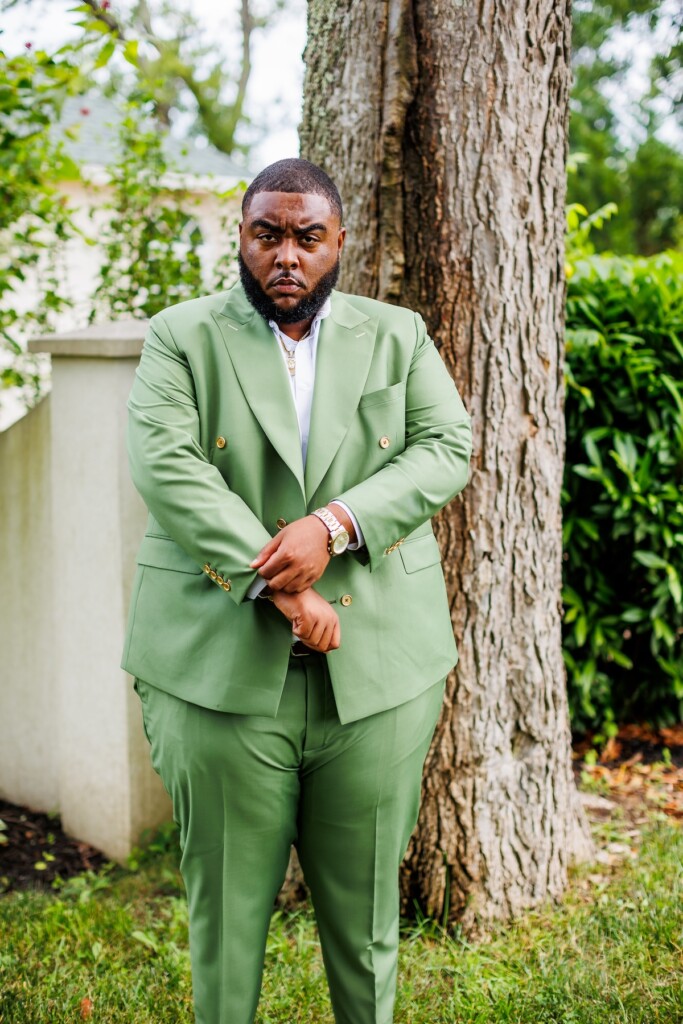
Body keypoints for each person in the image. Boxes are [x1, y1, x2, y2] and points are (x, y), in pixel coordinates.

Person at [121, 157, 473, 1024]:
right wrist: (281, 586)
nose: (287, 255)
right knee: (226, 922)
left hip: (378, 667)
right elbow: (168, 470)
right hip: (216, 668)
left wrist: (334, 524)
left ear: (338, 243)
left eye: (307, 237)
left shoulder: (399, 335)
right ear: (240, 237)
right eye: (267, 234)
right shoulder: (180, 336)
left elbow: (444, 447)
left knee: (363, 924)